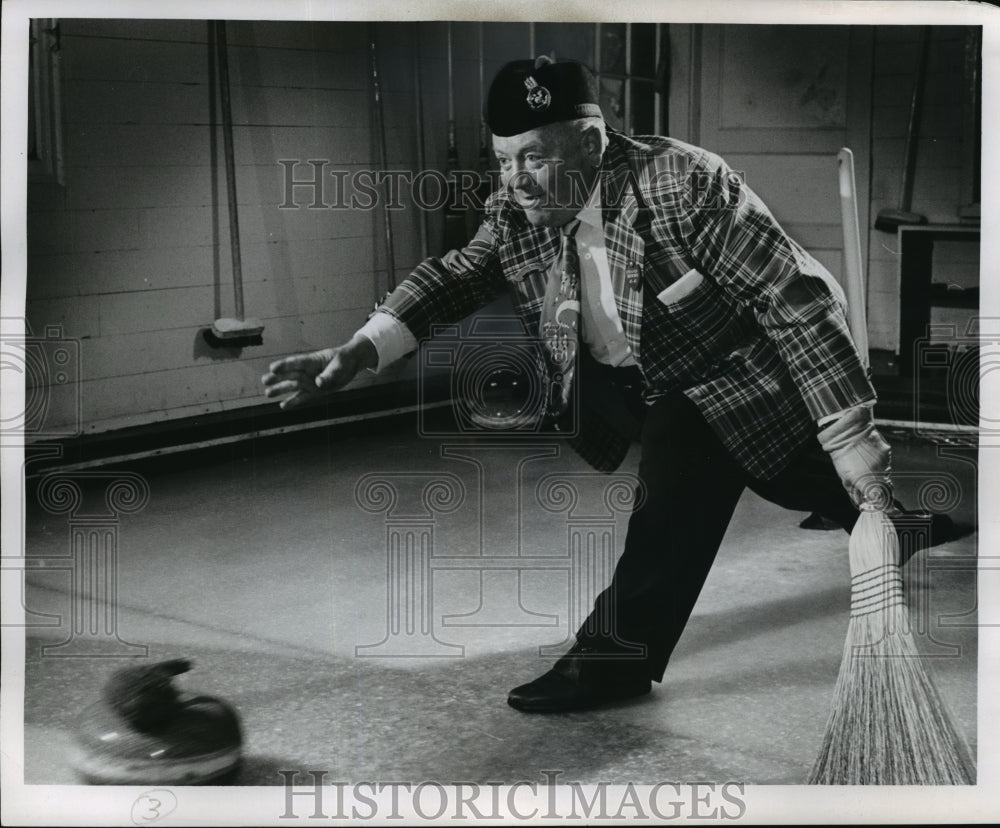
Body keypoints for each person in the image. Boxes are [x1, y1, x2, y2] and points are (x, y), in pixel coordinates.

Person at [262, 56, 959, 713]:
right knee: (786, 472)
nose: (516, 180)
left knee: (680, 483)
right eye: (504, 160)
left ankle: (614, 661)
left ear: (592, 143)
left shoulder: (686, 183)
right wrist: (363, 348)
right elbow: (462, 273)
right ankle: (898, 525)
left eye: (535, 156)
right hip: (621, 374)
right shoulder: (516, 206)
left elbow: (793, 301)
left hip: (741, 364)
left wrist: (851, 432)